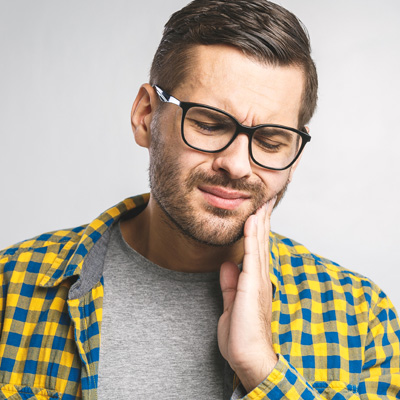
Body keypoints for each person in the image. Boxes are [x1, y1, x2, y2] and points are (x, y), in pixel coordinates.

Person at [0, 0, 399, 399]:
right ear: (145, 115)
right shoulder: (9, 287)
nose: (238, 165)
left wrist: (261, 368)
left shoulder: (363, 318)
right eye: (209, 124)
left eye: (271, 141)